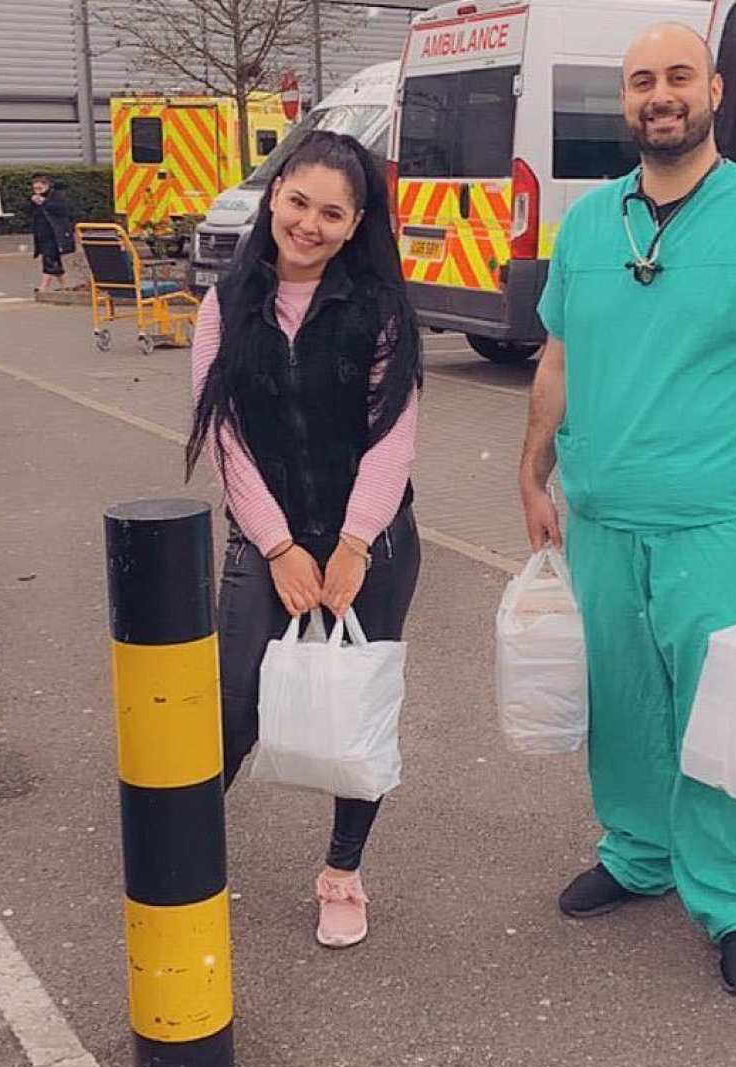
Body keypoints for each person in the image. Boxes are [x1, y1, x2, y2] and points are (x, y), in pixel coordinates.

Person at [518, 23, 736, 994]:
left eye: (676, 77)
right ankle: (638, 852)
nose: (658, 95)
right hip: (604, 512)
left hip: (725, 514)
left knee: (727, 710)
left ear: (713, 90)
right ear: (623, 101)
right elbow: (557, 361)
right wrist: (531, 474)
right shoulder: (588, 225)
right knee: (621, 700)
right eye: (639, 82)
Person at [185, 130, 423, 949]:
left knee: (358, 710)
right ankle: (180, 849)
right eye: (298, 203)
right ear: (275, 193)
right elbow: (223, 442)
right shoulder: (225, 306)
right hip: (266, 541)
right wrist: (280, 548)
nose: (308, 225)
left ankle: (342, 874)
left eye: (331, 213)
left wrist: (353, 544)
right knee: (232, 708)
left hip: (372, 543)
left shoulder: (380, 310)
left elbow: (392, 437)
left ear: (356, 225)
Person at [28, 173, 73, 292]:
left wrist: (44, 202)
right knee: (54, 260)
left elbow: (62, 210)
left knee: (49, 258)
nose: (37, 191)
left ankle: (43, 287)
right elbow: (32, 213)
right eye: (35, 188)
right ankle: (65, 285)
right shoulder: (35, 198)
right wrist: (33, 202)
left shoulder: (56, 196)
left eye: (40, 188)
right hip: (41, 232)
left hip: (54, 233)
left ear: (47, 186)